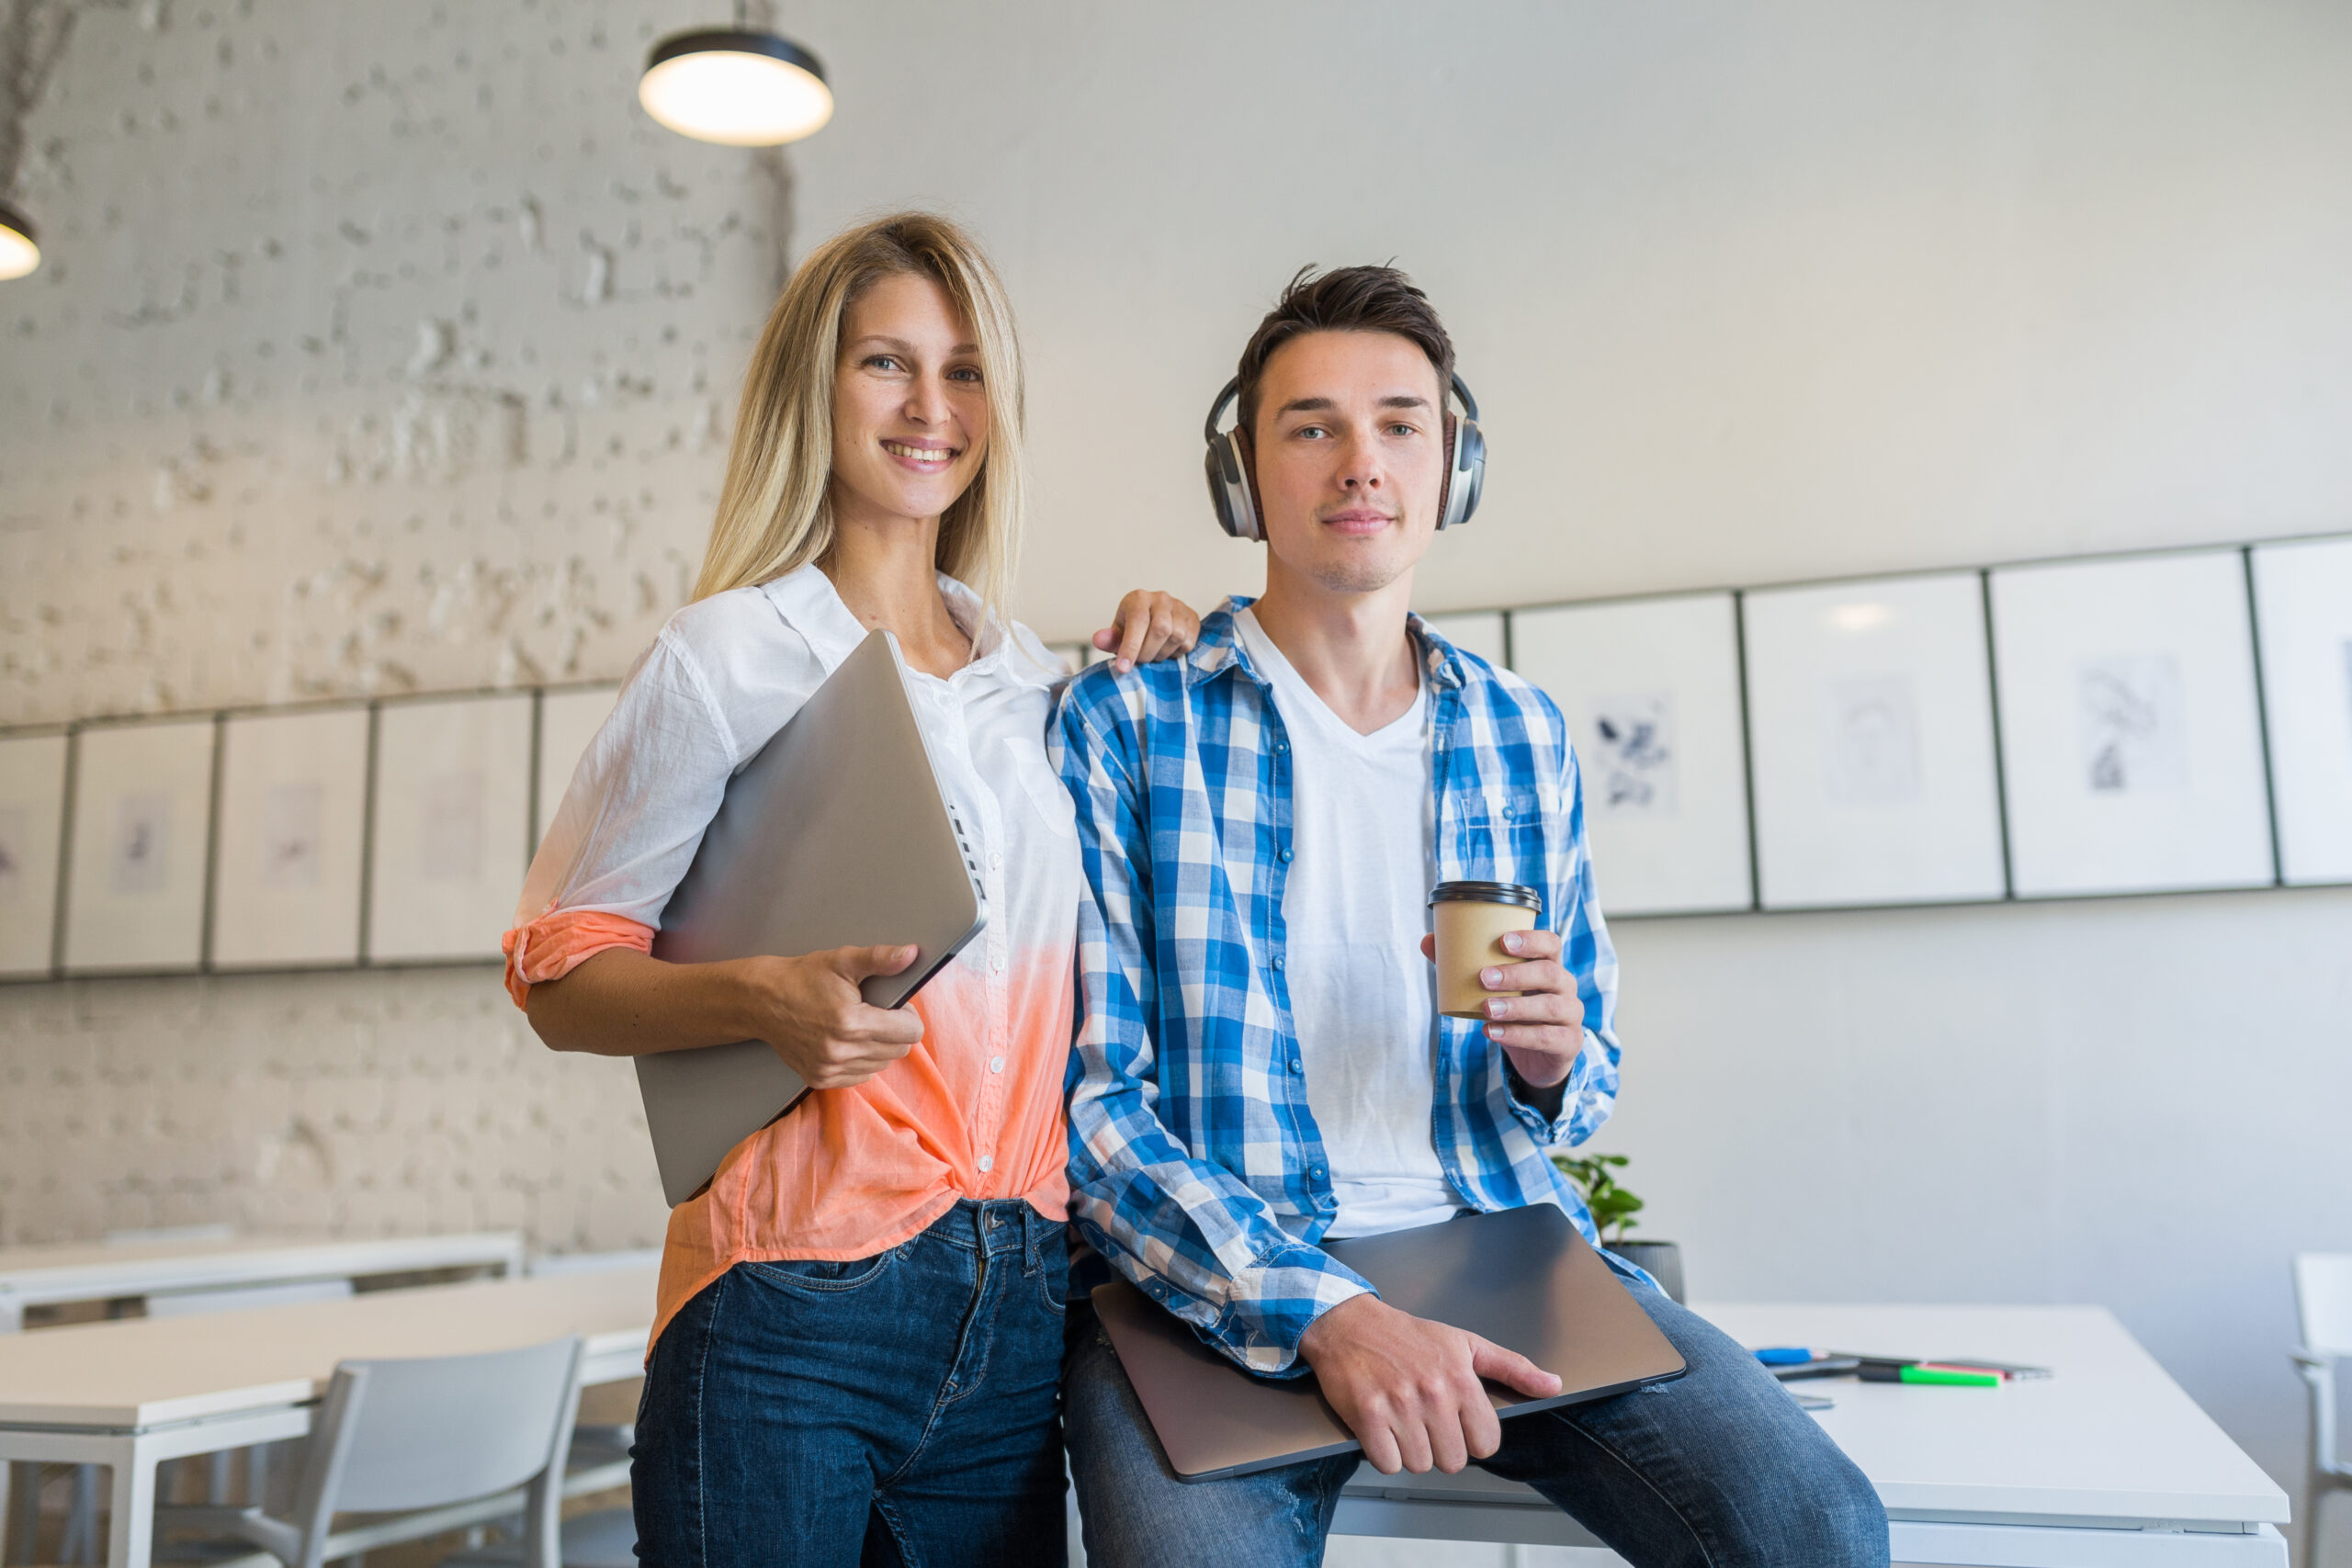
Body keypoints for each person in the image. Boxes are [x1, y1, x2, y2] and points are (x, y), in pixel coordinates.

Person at [1051, 265, 1889, 1567]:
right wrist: (1328, 1313)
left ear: (1455, 466)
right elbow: (1096, 1112)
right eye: (1311, 424)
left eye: (1400, 422)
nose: (1359, 462)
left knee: (1816, 1523)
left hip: (1502, 1244)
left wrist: (1554, 1064)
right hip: (1217, 1278)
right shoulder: (1126, 721)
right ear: (1243, 476)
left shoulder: (1520, 730)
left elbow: (1587, 1074)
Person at [503, 211, 1199, 1568]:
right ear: (815, 389)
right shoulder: (730, 657)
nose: (931, 408)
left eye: (965, 370)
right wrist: (760, 1000)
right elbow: (557, 971)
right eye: (887, 363)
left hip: (1018, 1307)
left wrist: (1162, 655)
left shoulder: (1039, 685)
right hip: (789, 1316)